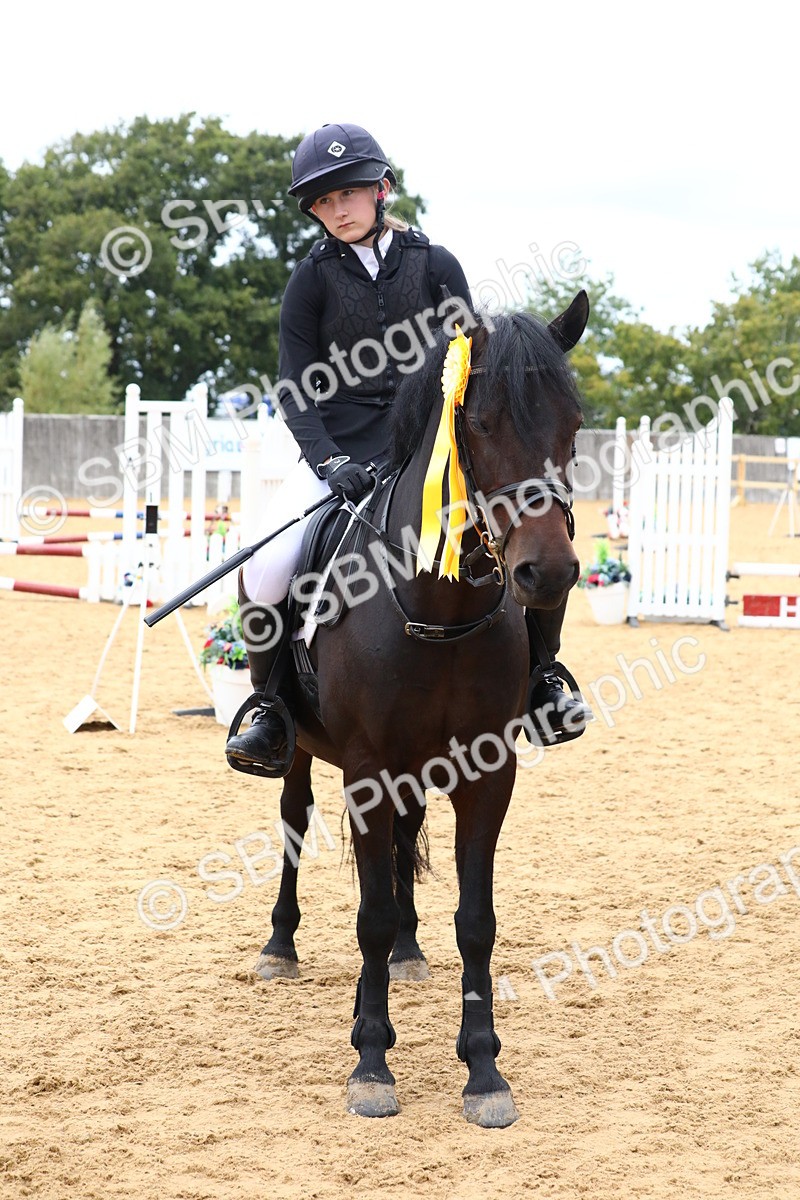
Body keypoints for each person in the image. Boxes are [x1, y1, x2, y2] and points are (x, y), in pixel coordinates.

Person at [225, 122, 591, 776]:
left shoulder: (435, 264)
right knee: (269, 564)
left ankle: (542, 677)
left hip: (428, 451)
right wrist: (328, 461)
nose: (336, 210)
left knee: (532, 533)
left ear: (382, 189)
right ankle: (272, 707)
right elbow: (292, 384)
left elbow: (473, 361)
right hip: (335, 453)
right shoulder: (309, 282)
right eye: (322, 202)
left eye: (348, 195)